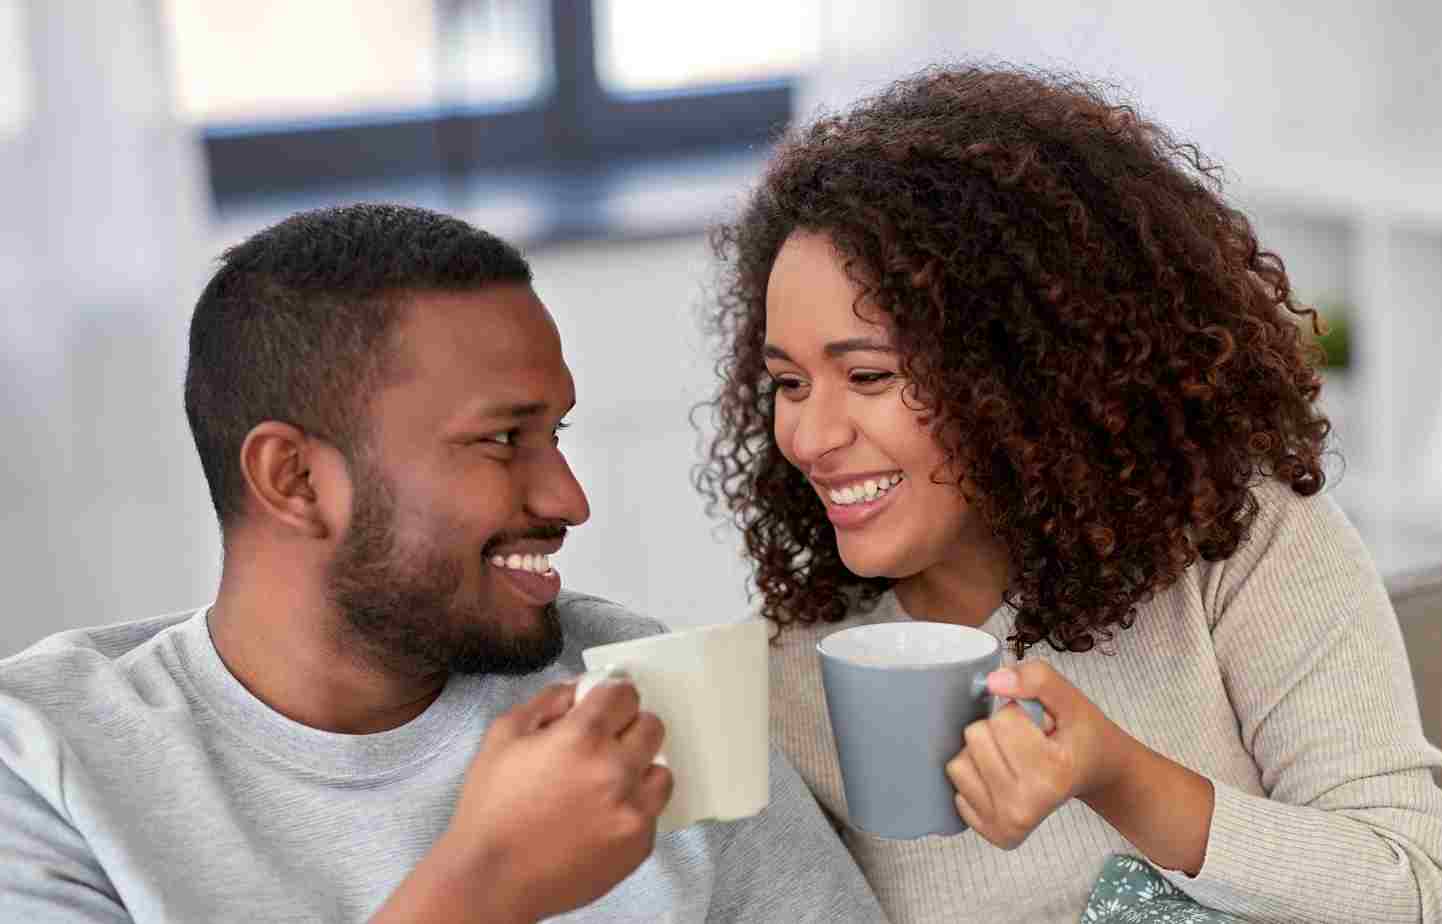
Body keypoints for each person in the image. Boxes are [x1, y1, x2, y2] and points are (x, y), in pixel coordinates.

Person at [697, 65, 1442, 924]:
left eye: (868, 374)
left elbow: (1415, 894)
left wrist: (1118, 778)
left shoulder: (1242, 549)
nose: (808, 435)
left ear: (1022, 371)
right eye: (789, 384)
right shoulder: (797, 681)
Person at [0, 203, 886, 923]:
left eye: (555, 433)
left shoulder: (649, 698)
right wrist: (483, 886)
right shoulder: (44, 761)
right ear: (295, 478)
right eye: (502, 440)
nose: (568, 498)